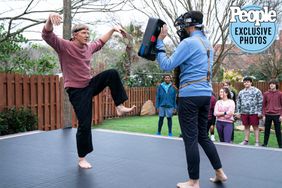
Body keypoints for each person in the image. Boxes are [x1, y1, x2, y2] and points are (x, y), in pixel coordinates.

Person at [42, 13, 136, 169]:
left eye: (88, 33)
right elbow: (47, 35)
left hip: (89, 84)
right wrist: (49, 20)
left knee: (111, 73)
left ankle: (119, 106)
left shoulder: (88, 47)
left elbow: (100, 42)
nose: (87, 35)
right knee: (85, 124)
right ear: (75, 35)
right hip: (76, 91)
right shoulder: (64, 46)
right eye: (84, 33)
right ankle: (81, 158)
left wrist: (113, 29)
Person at [156, 11, 227, 188]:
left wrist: (159, 43)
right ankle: (220, 172)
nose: (181, 30)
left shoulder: (189, 43)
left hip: (190, 96)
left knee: (190, 139)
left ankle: (193, 182)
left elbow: (166, 64)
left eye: (182, 26)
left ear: (190, 25)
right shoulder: (207, 43)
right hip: (206, 95)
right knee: (203, 136)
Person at [235, 77, 263, 146]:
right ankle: (246, 141)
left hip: (254, 112)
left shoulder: (257, 91)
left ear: (251, 82)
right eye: (244, 82)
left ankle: (257, 142)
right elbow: (238, 102)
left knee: (255, 127)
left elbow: (260, 102)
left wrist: (259, 112)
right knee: (246, 127)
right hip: (244, 112)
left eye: (247, 82)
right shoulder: (241, 92)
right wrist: (238, 112)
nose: (246, 83)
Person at [262, 79, 282, 148]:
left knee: (278, 131)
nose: (271, 85)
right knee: (266, 130)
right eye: (270, 84)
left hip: (277, 115)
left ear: (276, 85)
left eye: (273, 84)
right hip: (268, 115)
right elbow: (264, 105)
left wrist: (281, 115)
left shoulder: (280, 94)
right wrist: (264, 115)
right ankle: (265, 144)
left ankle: (280, 145)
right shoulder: (266, 94)